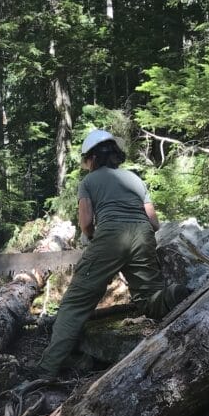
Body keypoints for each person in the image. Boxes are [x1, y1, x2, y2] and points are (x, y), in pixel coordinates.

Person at [38, 129, 185, 378]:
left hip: (110, 236)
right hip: (143, 234)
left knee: (75, 303)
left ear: (92, 158)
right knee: (149, 299)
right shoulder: (135, 179)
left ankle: (46, 370)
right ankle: (174, 295)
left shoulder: (88, 182)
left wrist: (96, 241)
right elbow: (154, 222)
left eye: (86, 161)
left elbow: (86, 224)